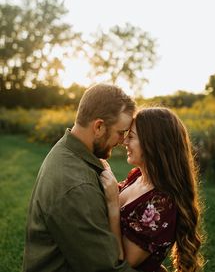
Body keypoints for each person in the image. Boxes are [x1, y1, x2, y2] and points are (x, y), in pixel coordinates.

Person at [22, 83, 141, 272]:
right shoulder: (77, 186)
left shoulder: (66, 150)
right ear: (99, 126)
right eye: (120, 132)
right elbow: (106, 269)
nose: (122, 141)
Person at [100, 107, 205, 272]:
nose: (124, 141)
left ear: (152, 144)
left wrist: (113, 206)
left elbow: (125, 263)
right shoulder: (137, 177)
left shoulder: (161, 203)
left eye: (131, 137)